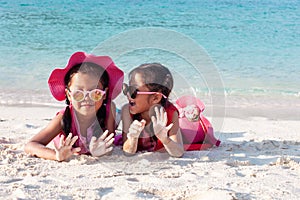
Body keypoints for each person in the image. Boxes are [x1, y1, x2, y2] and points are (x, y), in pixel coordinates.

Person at [24, 51, 124, 161]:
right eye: (78, 93)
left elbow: (109, 143)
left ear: (104, 94)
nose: (87, 98)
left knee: (117, 112)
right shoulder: (63, 118)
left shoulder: (109, 112)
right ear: (69, 95)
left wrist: (100, 151)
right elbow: (31, 145)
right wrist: (56, 155)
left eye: (95, 93)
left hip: (109, 114)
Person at [121, 63, 184, 157]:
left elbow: (179, 153)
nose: (128, 95)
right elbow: (127, 153)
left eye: (133, 90)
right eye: (127, 88)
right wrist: (133, 138)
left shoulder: (170, 113)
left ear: (155, 98)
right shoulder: (127, 111)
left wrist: (165, 139)